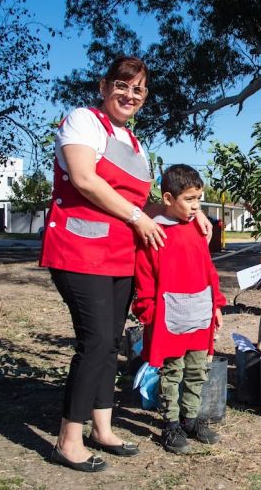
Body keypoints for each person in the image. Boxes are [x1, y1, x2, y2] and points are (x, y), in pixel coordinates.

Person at [40, 56, 211, 472]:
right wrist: (137, 218)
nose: (129, 94)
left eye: (138, 89)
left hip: (120, 258)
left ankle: (102, 427)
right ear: (104, 86)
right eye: (122, 85)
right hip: (78, 250)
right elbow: (84, 178)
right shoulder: (83, 121)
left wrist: (190, 211)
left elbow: (146, 204)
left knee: (110, 342)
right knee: (95, 342)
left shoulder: (135, 144)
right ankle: (69, 439)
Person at [132, 165, 226, 454]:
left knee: (198, 370)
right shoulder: (154, 231)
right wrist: (147, 310)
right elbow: (144, 273)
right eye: (190, 199)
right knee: (172, 372)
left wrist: (217, 305)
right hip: (169, 316)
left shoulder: (197, 229)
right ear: (169, 198)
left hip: (199, 312)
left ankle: (190, 418)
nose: (196, 206)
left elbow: (208, 270)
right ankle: (170, 423)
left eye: (199, 198)